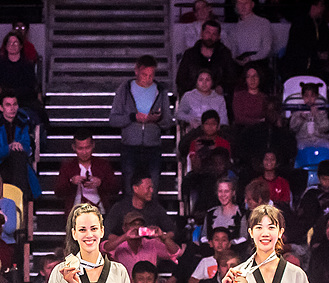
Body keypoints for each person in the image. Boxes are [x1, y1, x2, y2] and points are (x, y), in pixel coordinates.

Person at [109, 55, 169, 195]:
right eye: (144, 74)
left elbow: (167, 122)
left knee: (152, 189)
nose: (147, 79)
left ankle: (151, 210)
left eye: (151, 75)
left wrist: (156, 119)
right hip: (129, 146)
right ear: (136, 71)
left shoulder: (160, 90)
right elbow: (113, 119)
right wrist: (132, 117)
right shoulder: (125, 89)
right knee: (129, 188)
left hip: (153, 146)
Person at [0, 90, 40, 201]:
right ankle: (20, 200)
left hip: (19, 164)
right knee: (16, 156)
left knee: (18, 155)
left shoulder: (24, 123)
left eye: (14, 104)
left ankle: (19, 200)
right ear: (1, 107)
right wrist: (9, 148)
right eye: (8, 105)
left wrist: (20, 147)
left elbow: (29, 150)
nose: (12, 108)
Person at [103, 210, 183, 281]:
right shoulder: (118, 244)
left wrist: (163, 237)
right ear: (124, 228)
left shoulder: (152, 244)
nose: (137, 227)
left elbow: (176, 252)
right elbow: (104, 249)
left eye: (140, 224)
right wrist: (125, 237)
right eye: (133, 224)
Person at [54, 131, 121, 215]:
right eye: (80, 148)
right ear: (74, 147)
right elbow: (58, 192)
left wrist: (101, 183)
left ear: (93, 145)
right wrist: (71, 182)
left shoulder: (103, 164)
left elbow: (115, 189)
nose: (84, 152)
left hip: (100, 212)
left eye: (87, 147)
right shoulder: (68, 166)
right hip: (76, 214)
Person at [176, 20, 238, 97]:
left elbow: (232, 78)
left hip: (217, 98)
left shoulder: (225, 54)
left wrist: (222, 88)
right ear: (201, 34)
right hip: (194, 98)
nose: (210, 37)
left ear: (218, 37)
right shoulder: (190, 54)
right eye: (208, 33)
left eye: (214, 34)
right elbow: (181, 79)